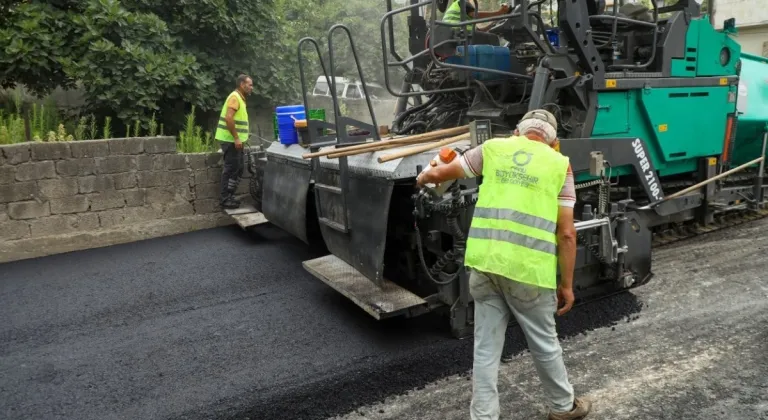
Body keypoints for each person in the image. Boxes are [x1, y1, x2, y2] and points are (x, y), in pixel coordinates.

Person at [416, 110, 592, 420]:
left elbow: (444, 173)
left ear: (516, 132)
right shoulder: (559, 165)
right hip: (528, 273)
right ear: (554, 142)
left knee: (485, 349)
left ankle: (484, 416)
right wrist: (566, 285)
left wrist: (426, 176)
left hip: (485, 267)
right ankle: (563, 408)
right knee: (544, 344)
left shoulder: (493, 148)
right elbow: (566, 234)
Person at [215, 74, 254, 209]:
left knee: (238, 168)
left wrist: (242, 136)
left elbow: (237, 121)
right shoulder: (234, 97)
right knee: (230, 168)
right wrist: (237, 138)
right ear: (242, 84)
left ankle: (229, 196)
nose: (251, 88)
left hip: (235, 140)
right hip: (230, 140)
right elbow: (229, 118)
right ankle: (225, 198)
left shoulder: (240, 99)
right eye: (249, 85)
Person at [442, 0, 511, 32]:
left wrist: (494, 23)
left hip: (453, 35)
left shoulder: (458, 11)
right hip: (459, 34)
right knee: (492, 40)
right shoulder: (462, 2)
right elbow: (476, 15)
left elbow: (481, 31)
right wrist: (499, 12)